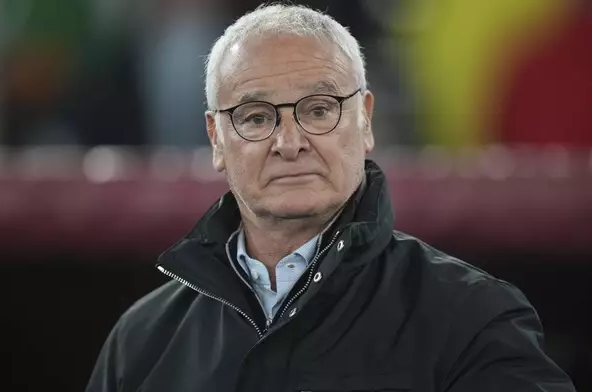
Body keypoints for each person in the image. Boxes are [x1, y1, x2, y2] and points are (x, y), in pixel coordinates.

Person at [86, 4, 576, 392]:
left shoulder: (472, 317)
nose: (289, 141)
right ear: (216, 138)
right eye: (256, 117)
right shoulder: (142, 340)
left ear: (365, 120)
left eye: (318, 110)